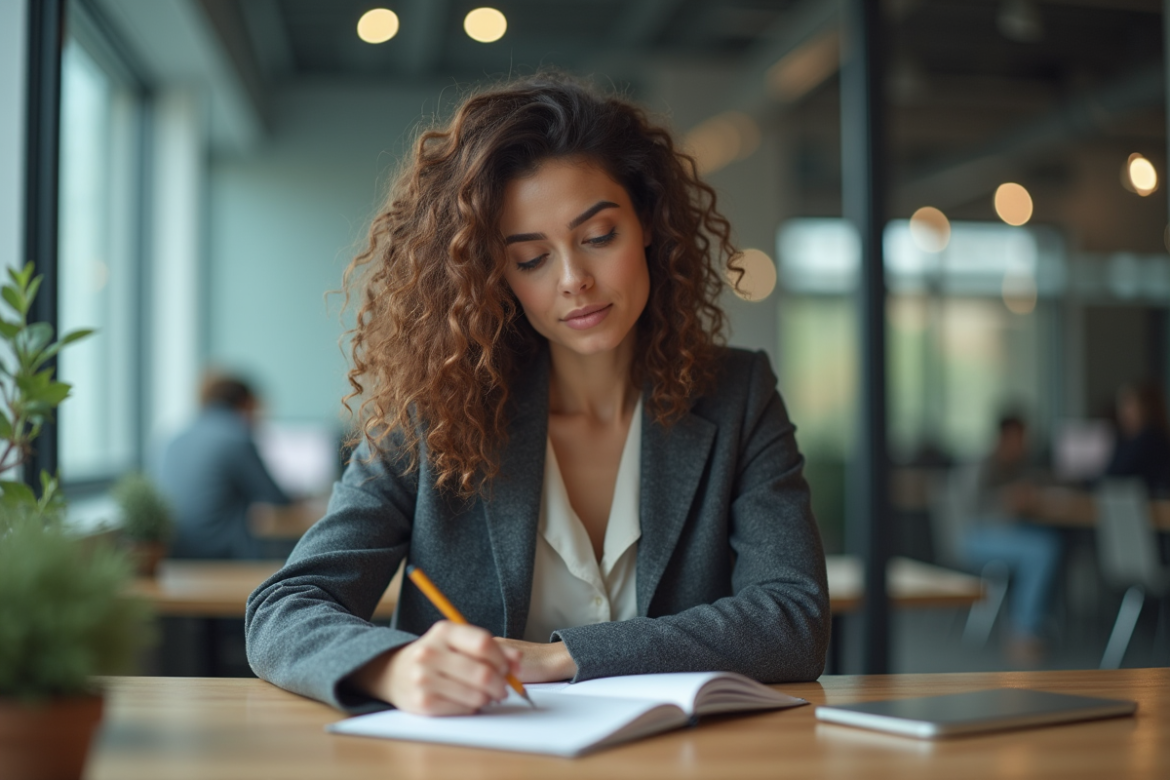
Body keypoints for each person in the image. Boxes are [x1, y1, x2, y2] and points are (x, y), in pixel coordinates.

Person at [245, 74, 829, 716]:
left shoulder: (738, 394)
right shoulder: (437, 413)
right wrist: (391, 667)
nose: (575, 280)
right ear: (498, 276)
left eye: (598, 236)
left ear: (649, 225)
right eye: (531, 259)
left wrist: (563, 656)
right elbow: (283, 610)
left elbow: (793, 620)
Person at [158, 374, 292, 559]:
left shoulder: (172, 439)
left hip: (177, 555)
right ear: (245, 403)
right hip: (223, 556)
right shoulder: (236, 438)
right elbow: (277, 498)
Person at [961, 414, 1061, 659]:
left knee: (1050, 542)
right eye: (1019, 438)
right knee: (1043, 549)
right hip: (977, 536)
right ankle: (1022, 631)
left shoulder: (1021, 466)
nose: (1023, 444)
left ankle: (1037, 622)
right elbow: (971, 508)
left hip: (1008, 534)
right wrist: (1007, 500)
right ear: (1004, 437)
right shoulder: (983, 465)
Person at [1104, 382, 1170, 496]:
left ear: (1146, 407)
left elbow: (1116, 476)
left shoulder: (1150, 439)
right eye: (1121, 405)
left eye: (1129, 405)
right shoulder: (1125, 439)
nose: (1123, 412)